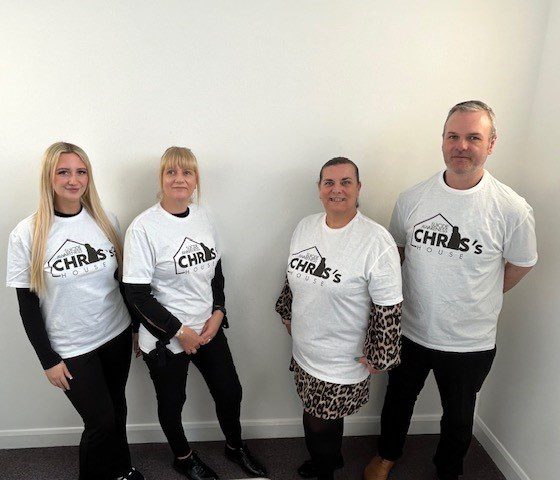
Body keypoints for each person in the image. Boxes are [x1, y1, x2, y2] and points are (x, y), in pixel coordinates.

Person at [364, 101, 538, 480]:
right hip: (411, 329)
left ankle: (448, 471)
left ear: (491, 144)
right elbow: (397, 253)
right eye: (453, 136)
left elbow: (522, 263)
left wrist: (484, 294)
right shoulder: (412, 199)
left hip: (470, 339)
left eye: (473, 137)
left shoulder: (512, 209)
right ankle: (387, 455)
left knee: (458, 415)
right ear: (442, 141)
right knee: (397, 401)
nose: (462, 145)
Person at [123, 146, 267, 480]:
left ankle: (234, 447)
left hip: (207, 328)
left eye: (187, 172)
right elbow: (137, 294)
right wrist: (179, 333)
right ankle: (183, 457)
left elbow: (216, 270)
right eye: (171, 172)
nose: (179, 179)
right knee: (173, 402)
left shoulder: (204, 217)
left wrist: (218, 311)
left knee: (230, 390)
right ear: (161, 178)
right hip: (165, 335)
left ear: (196, 179)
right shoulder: (143, 228)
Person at [6, 142, 143, 480]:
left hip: (115, 332)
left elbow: (122, 281)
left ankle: (123, 471)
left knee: (118, 409)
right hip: (71, 346)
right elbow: (27, 304)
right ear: (48, 177)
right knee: (99, 422)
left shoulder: (105, 219)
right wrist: (48, 359)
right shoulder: (28, 233)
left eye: (80, 171)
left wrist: (138, 328)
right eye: (63, 171)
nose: (73, 179)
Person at [275, 157, 403, 480]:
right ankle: (326, 461)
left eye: (346, 182)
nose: (337, 189)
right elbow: (294, 274)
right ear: (319, 190)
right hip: (305, 350)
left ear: (358, 188)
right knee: (313, 415)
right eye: (329, 182)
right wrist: (287, 311)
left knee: (320, 422)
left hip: (342, 359)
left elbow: (389, 305)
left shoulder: (376, 241)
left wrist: (380, 354)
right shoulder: (305, 226)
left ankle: (324, 469)